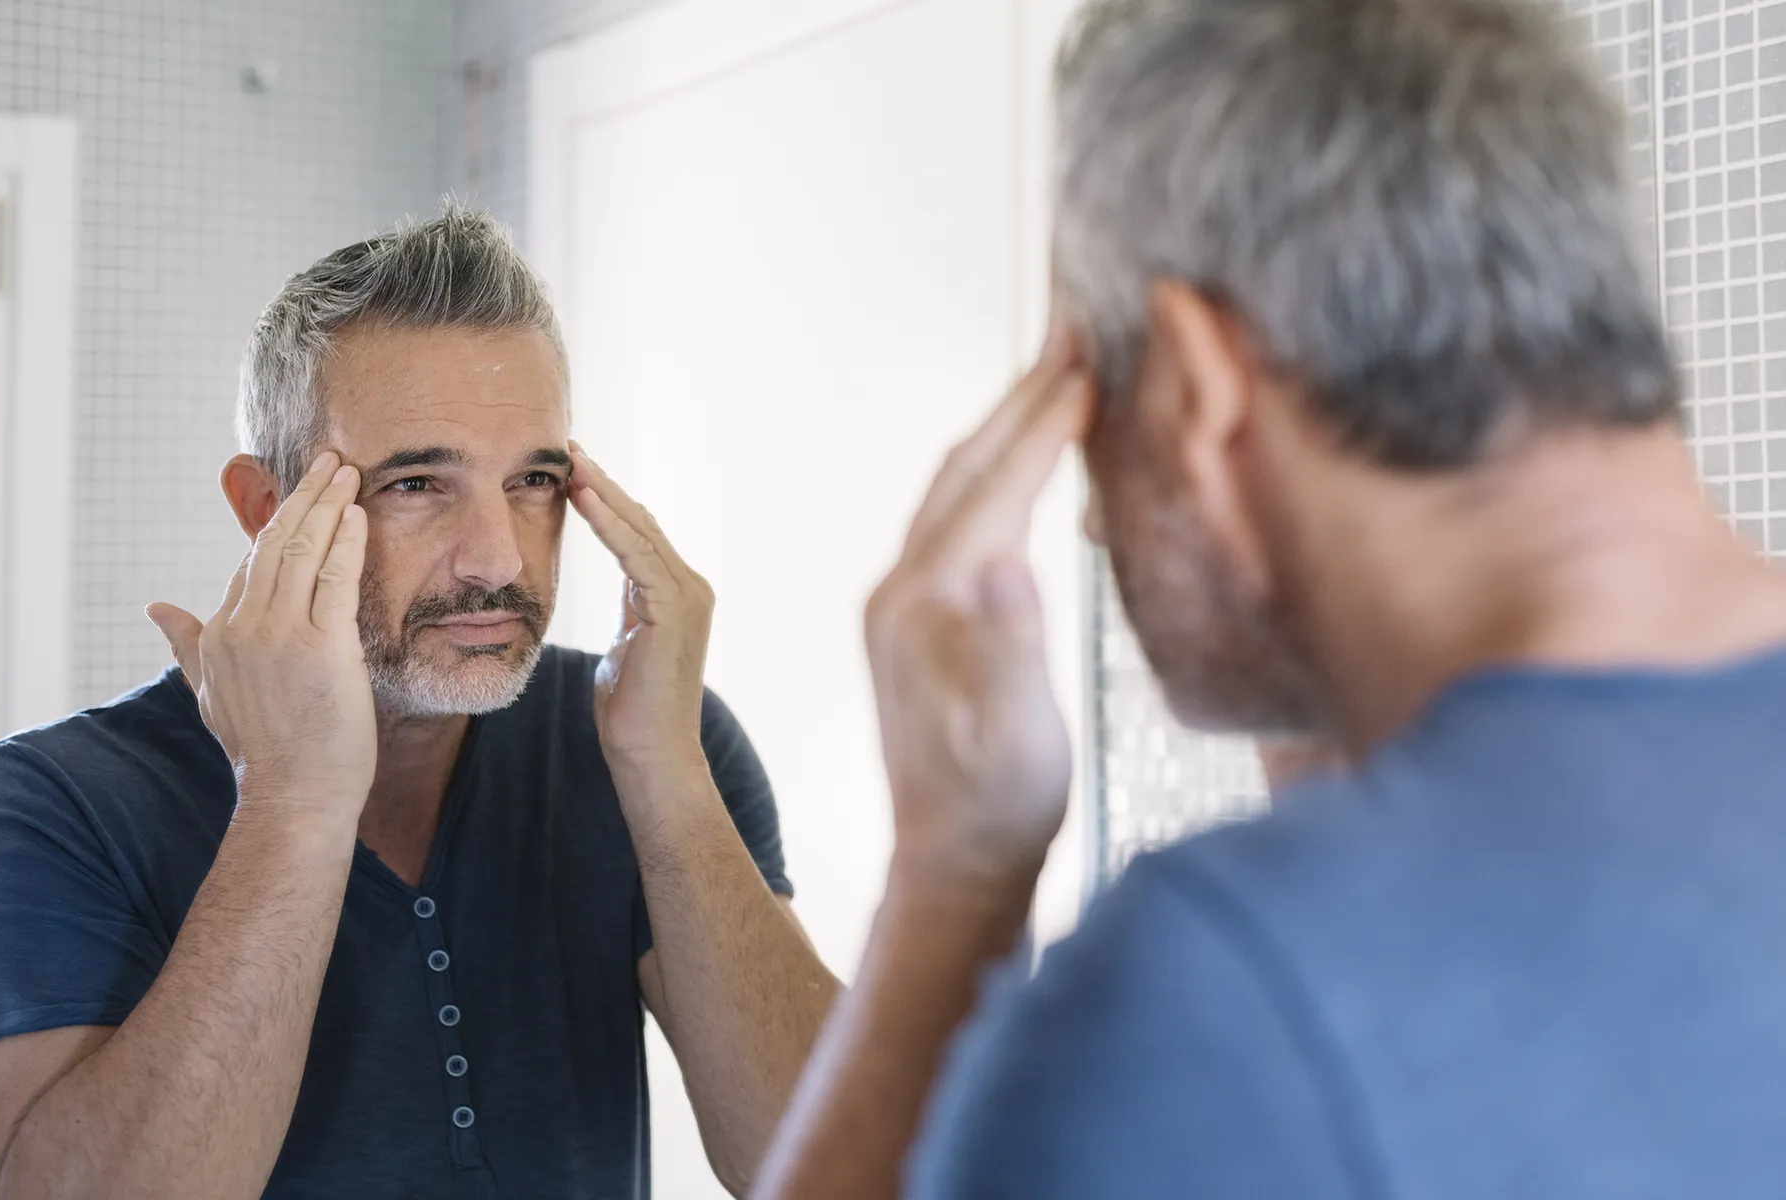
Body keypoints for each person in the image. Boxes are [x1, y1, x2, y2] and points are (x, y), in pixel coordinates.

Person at [753, 0, 1786, 1196]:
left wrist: (954, 882)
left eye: (1094, 395)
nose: (1090, 512)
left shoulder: (1222, 1000)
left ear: (1197, 387)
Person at [0, 207, 838, 1199]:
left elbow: (830, 1171)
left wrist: (667, 776)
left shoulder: (646, 735)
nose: (498, 559)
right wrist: (290, 799)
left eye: (533, 478)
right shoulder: (49, 806)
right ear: (268, 513)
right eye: (419, 483)